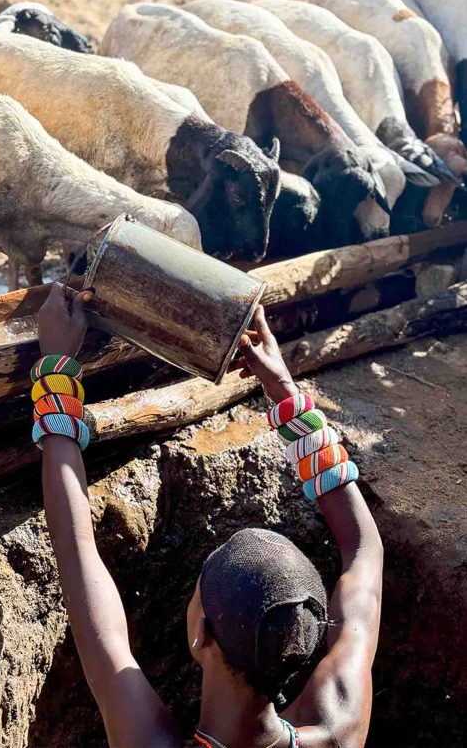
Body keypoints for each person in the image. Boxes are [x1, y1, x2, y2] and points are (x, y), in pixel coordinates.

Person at [32, 282, 383, 747]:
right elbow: (365, 550)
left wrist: (55, 368)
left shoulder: (148, 740)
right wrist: (283, 391)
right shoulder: (340, 723)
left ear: (200, 635)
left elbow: (76, 553)